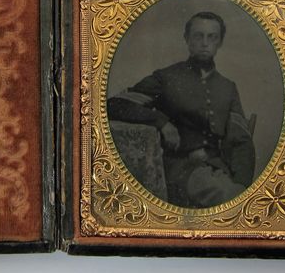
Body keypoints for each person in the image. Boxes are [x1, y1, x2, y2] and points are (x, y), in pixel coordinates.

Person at [107, 11, 255, 208]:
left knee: (240, 200)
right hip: (180, 169)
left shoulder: (227, 87)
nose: (205, 43)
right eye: (198, 36)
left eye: (212, 37)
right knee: (227, 198)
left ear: (219, 42)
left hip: (218, 169)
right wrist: (161, 122)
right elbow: (115, 104)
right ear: (187, 39)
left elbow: (241, 141)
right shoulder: (166, 77)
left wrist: (242, 185)